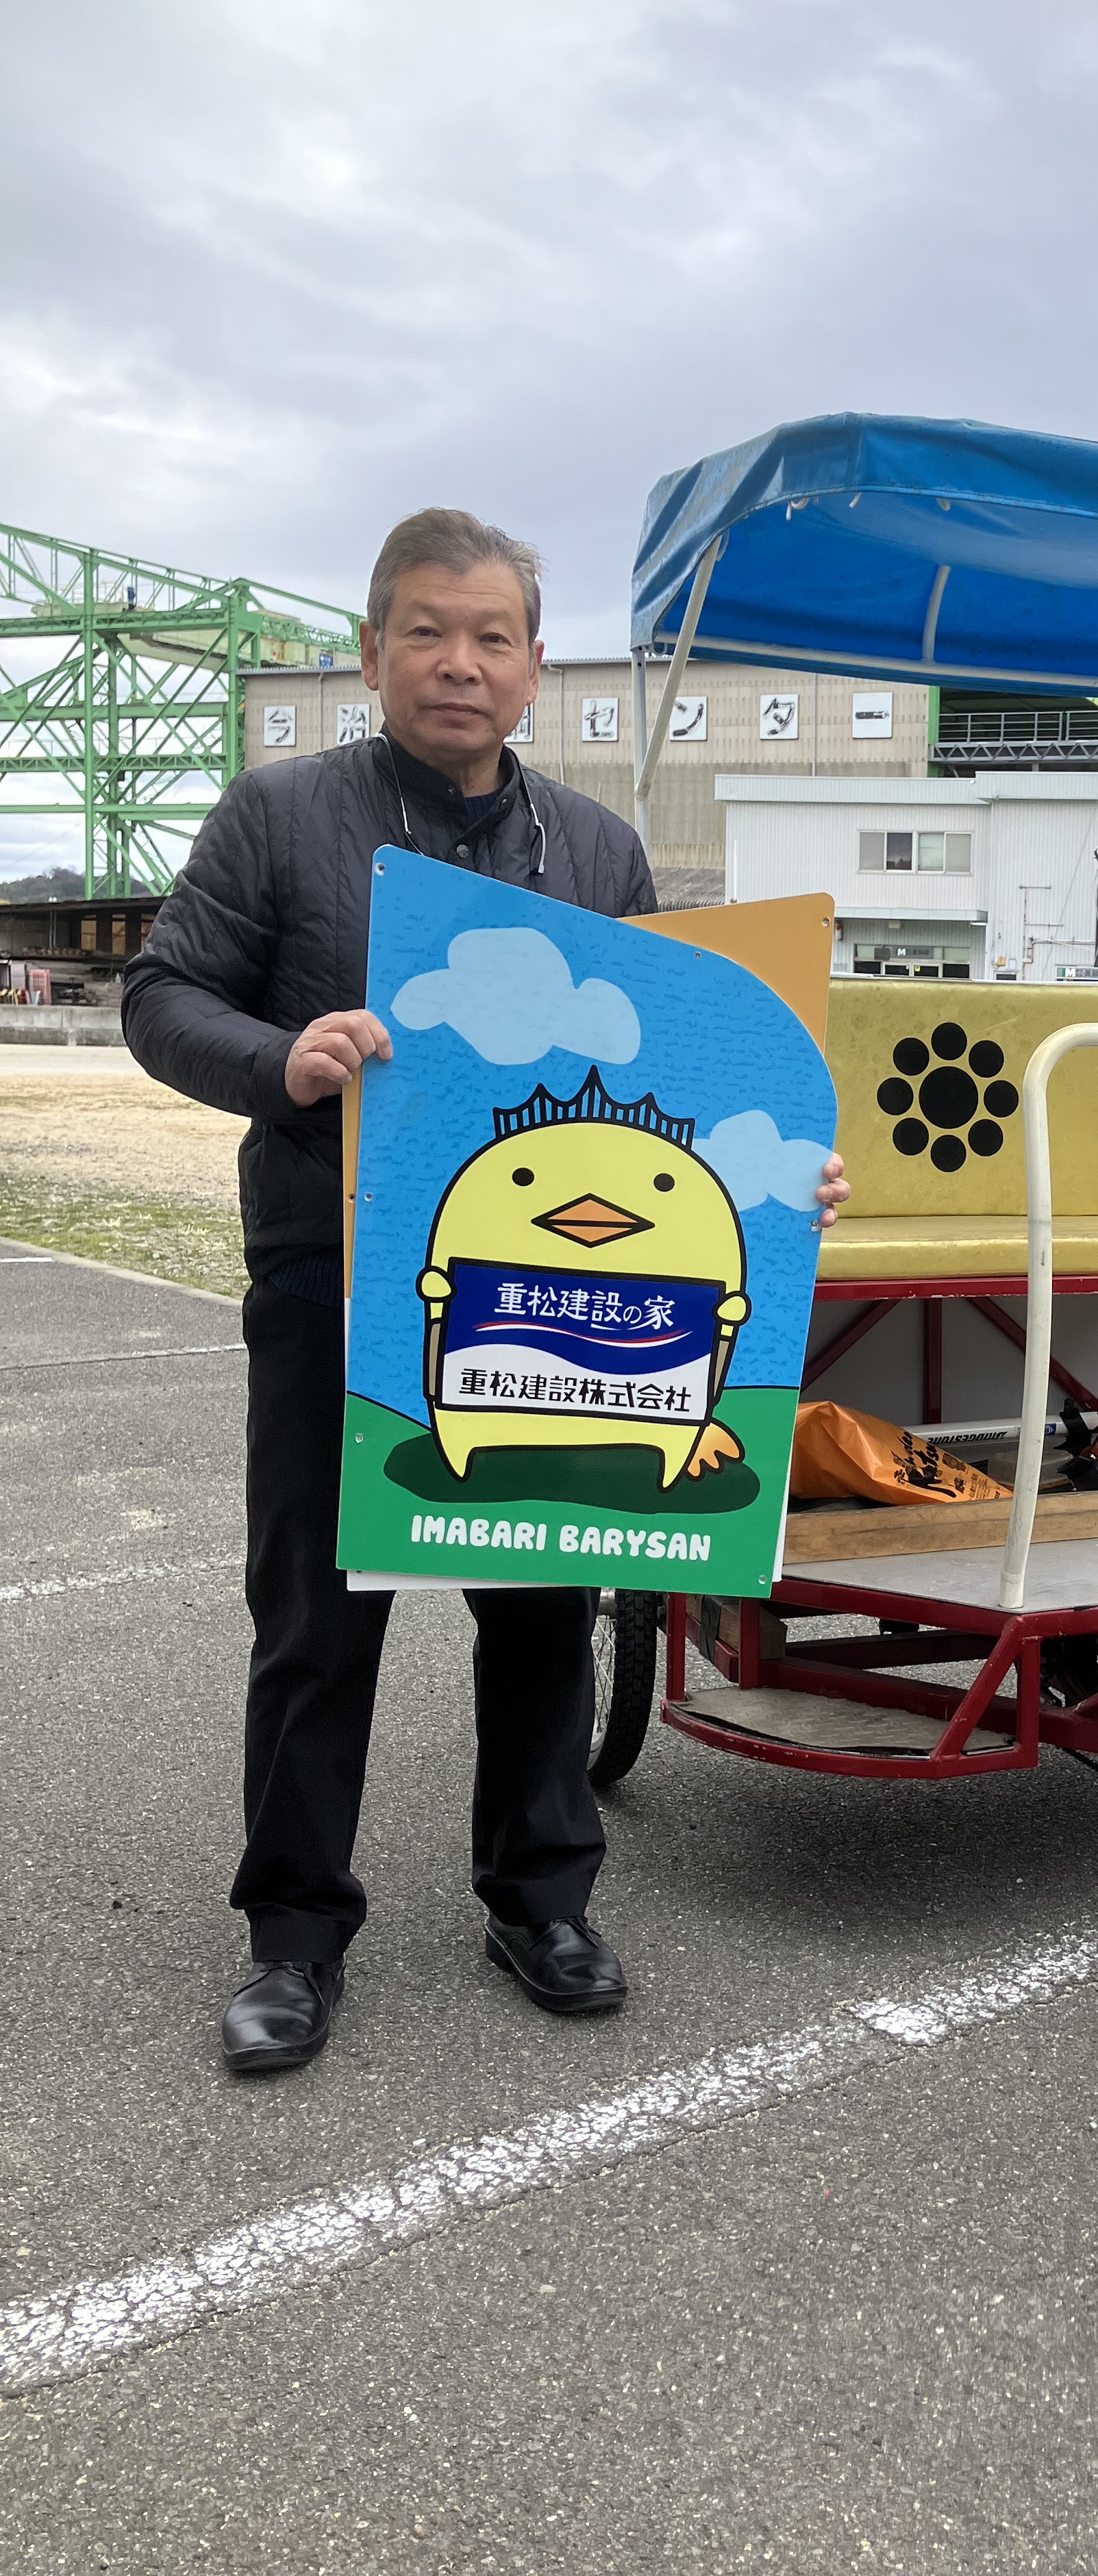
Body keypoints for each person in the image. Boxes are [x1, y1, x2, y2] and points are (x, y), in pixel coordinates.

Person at [124, 508, 848, 2074]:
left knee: (546, 1602)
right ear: (372, 651)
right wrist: (282, 1059)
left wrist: (779, 1178)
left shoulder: (598, 851)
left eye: (492, 637)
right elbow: (161, 994)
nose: (460, 663)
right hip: (330, 1278)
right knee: (315, 1622)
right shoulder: (278, 815)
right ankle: (295, 1934)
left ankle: (542, 1899)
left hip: (566, 1302)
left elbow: (676, 1075)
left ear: (532, 668)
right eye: (428, 632)